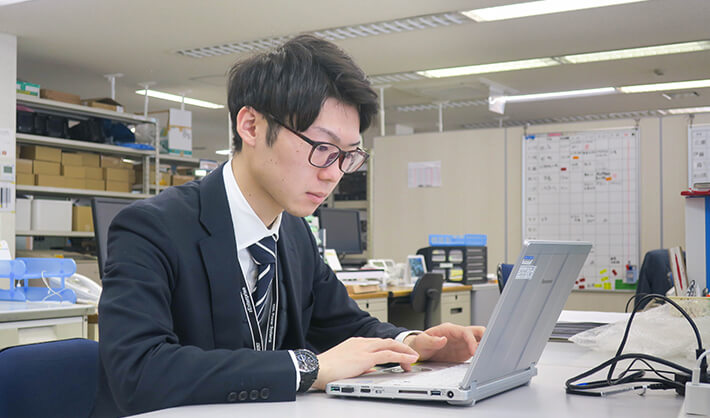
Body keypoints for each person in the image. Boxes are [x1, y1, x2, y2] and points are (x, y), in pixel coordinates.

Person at [92, 34, 485, 417]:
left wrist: (413, 343)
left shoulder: (294, 232)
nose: (334, 174)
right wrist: (307, 369)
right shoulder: (151, 228)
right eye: (322, 148)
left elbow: (344, 323)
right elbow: (138, 372)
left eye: (348, 156)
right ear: (251, 126)